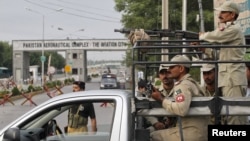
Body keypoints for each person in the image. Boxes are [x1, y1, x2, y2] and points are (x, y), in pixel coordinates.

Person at [198, 1, 247, 125]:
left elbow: (217, 36)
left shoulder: (233, 29)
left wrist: (203, 36)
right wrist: (205, 50)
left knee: (235, 116)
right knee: (227, 114)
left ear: (232, 14)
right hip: (228, 78)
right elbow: (221, 56)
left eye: (224, 12)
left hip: (233, 79)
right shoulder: (229, 31)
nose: (220, 15)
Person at [150, 55, 208, 141]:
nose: (169, 70)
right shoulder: (192, 82)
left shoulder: (182, 86)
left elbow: (181, 109)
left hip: (189, 132)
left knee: (151, 135)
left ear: (181, 68)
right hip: (199, 131)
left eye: (172, 67)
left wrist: (161, 99)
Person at [145, 64, 176, 132]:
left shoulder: (180, 88)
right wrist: (155, 122)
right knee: (145, 135)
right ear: (159, 76)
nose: (165, 76)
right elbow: (144, 108)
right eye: (162, 73)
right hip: (161, 125)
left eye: (167, 73)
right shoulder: (154, 90)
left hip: (177, 125)